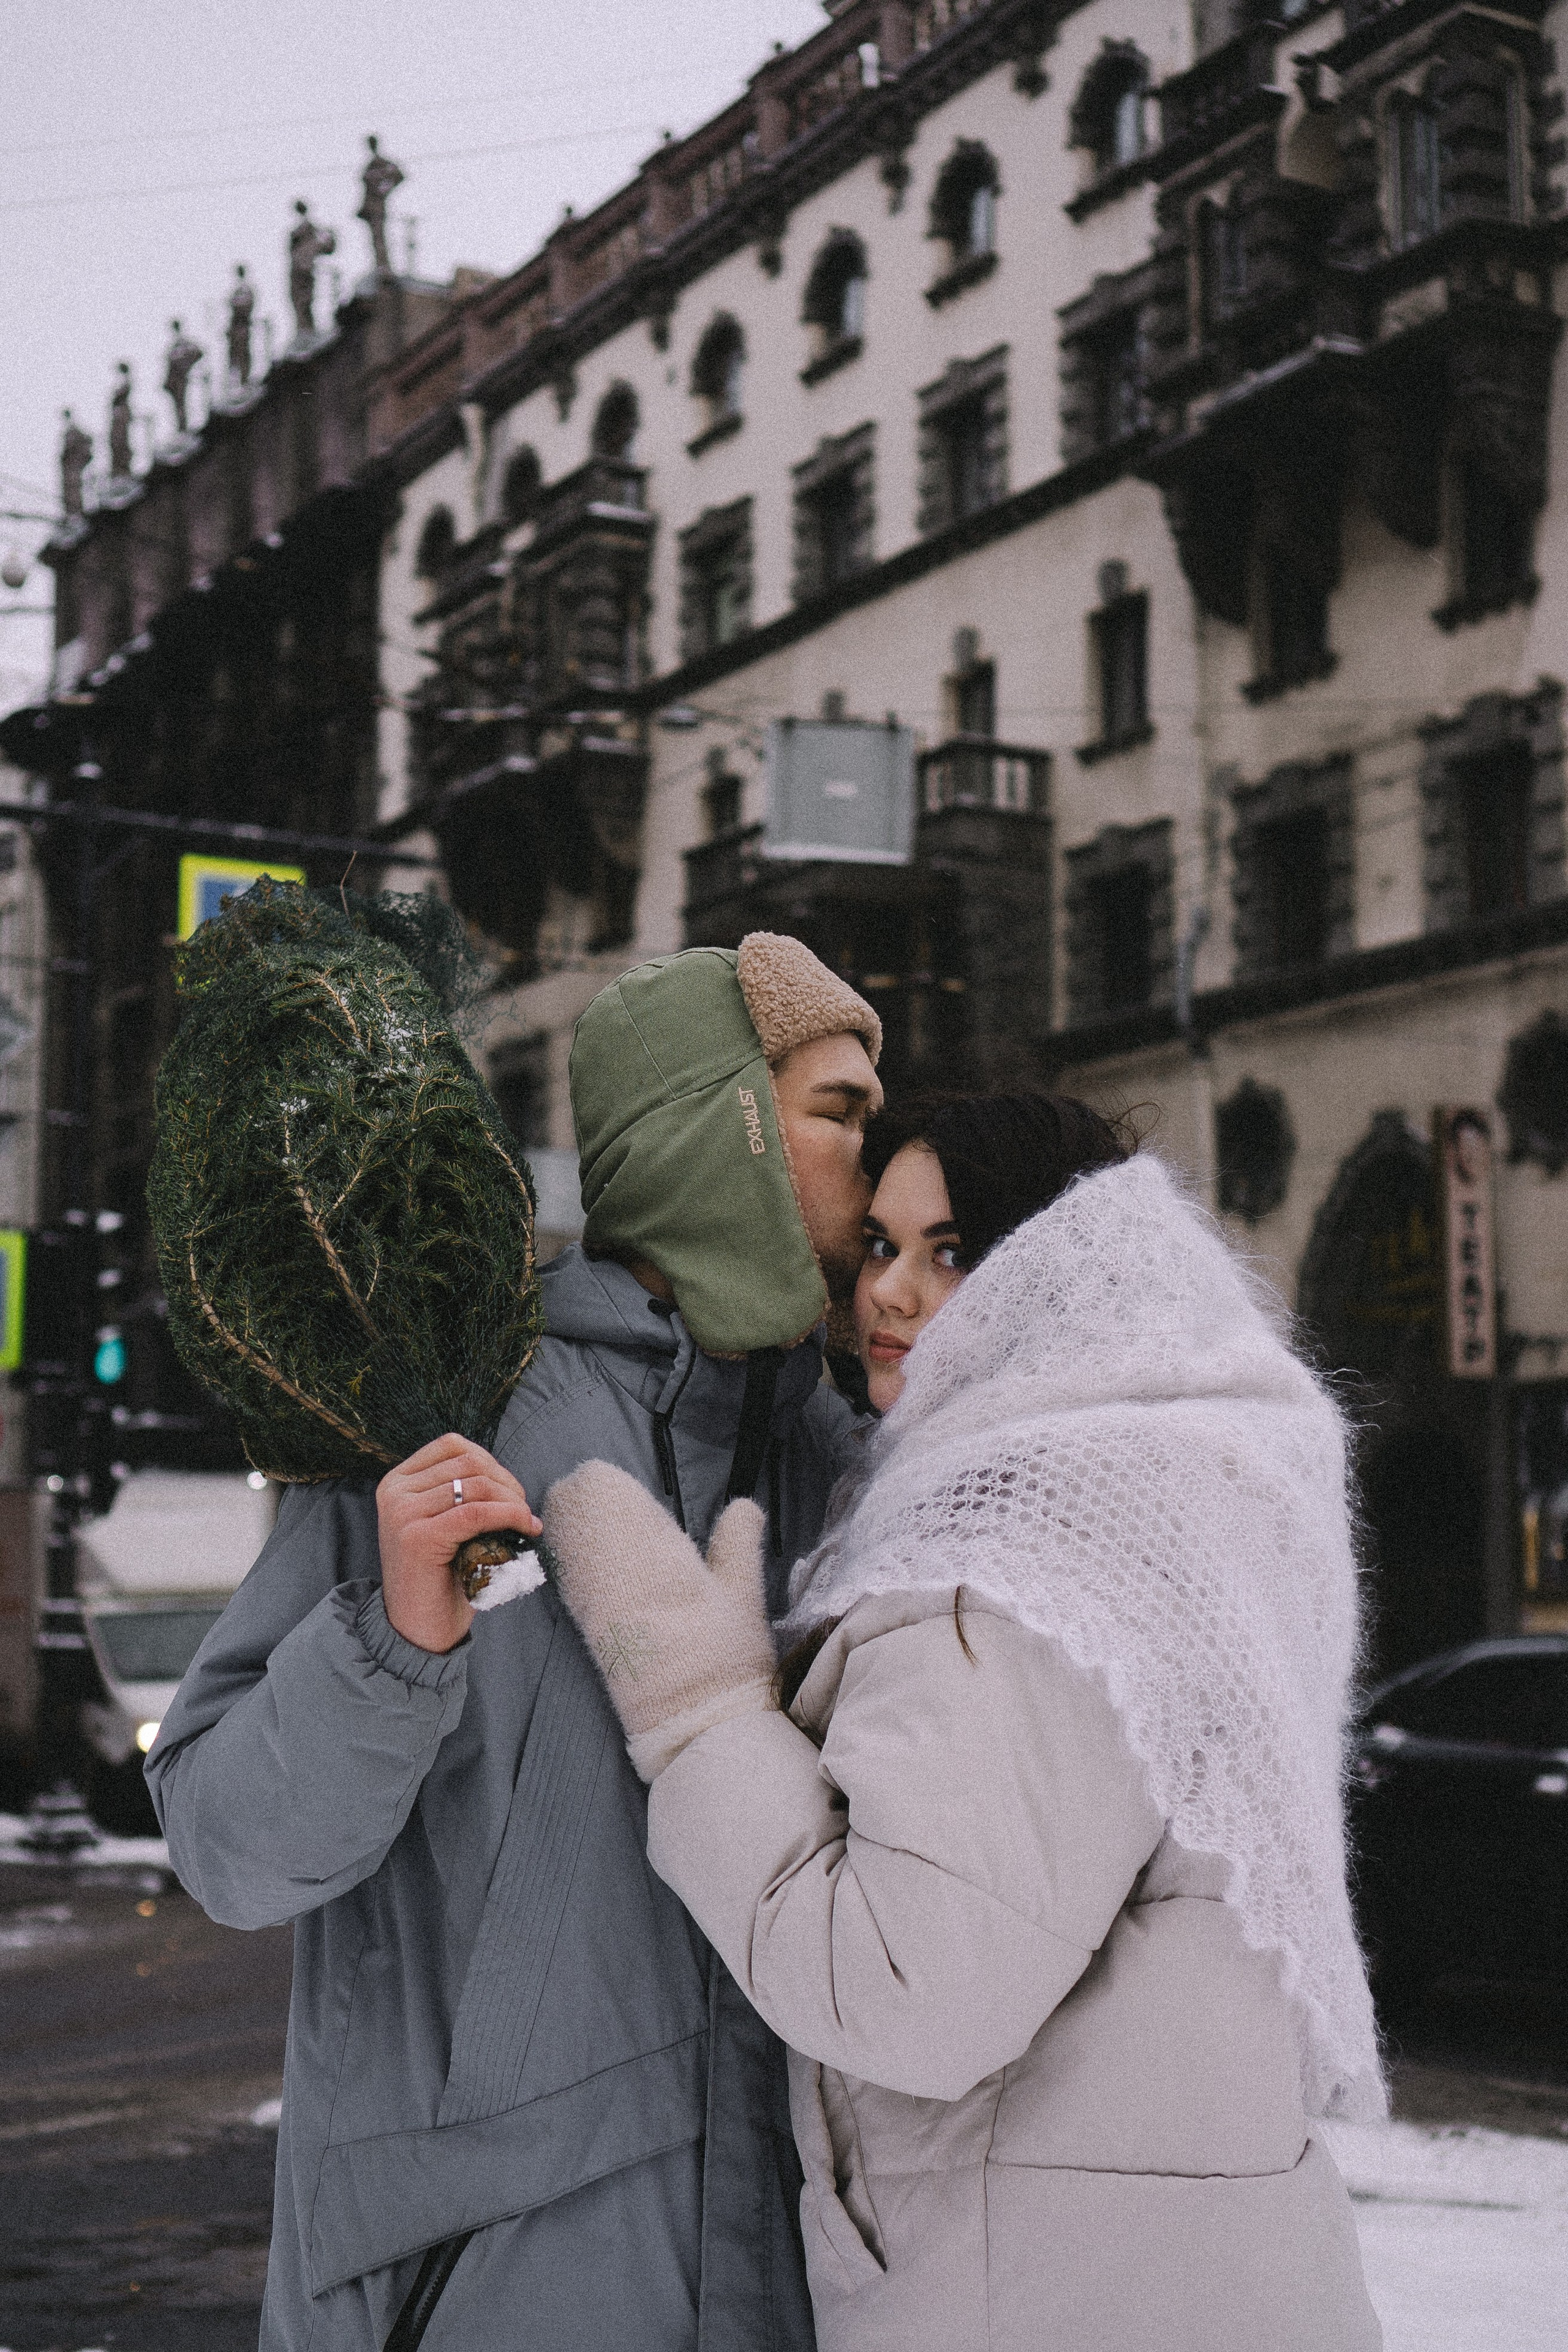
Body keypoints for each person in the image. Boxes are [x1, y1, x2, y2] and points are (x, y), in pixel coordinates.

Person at [544, 1091, 1386, 2352]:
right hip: (1178, 2265)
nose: (886, 1292)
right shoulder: (1193, 1481)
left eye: (952, 1252)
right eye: (879, 1246)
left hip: (1041, 2292)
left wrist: (700, 1714)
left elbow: (909, 1993)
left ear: (1062, 1273)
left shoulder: (1027, 1539)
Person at [147, 933, 884, 2352]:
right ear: (714, 1129)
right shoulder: (438, 1415)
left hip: (793, 2279)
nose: (875, 1148)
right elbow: (228, 1846)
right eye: (836, 1109)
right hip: (479, 2283)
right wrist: (392, 1640)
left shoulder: (840, 1461)